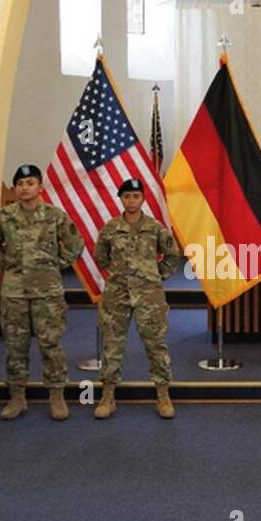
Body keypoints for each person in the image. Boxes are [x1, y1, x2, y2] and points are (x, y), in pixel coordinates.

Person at [0, 164, 84, 420]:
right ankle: (17, 397)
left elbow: (75, 244)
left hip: (47, 292)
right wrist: (7, 263)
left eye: (30, 183)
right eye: (20, 184)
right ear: (15, 189)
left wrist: (56, 264)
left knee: (50, 345)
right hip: (15, 293)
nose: (24, 188)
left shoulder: (54, 216)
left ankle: (56, 395)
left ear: (40, 187)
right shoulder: (4, 217)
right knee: (15, 347)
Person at [93, 179, 181, 419]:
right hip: (117, 294)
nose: (131, 201)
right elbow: (101, 256)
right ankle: (107, 396)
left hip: (148, 295)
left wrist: (156, 275)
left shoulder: (155, 228)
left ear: (142, 199)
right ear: (120, 199)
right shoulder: (111, 228)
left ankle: (163, 395)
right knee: (112, 346)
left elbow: (173, 254)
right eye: (127, 197)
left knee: (155, 344)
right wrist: (117, 276)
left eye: (135, 196)